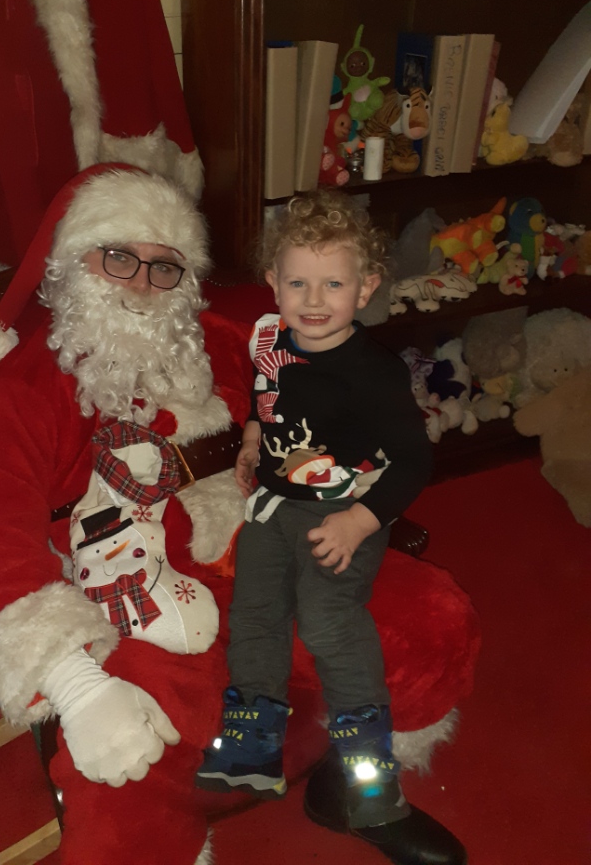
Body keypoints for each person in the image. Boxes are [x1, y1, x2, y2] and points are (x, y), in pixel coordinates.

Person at [0, 165, 468, 865]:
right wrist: (75, 683)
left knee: (429, 617)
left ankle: (353, 790)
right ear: (72, 262)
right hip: (131, 585)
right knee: (128, 755)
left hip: (266, 538)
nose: (141, 283)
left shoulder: (217, 338)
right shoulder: (26, 388)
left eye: (164, 266)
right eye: (119, 257)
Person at [196, 190, 434, 832]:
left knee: (328, 621)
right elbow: (267, 394)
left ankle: (370, 769)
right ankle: (252, 744)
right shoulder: (272, 339)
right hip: (272, 508)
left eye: (334, 283)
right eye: (298, 282)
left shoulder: (373, 373)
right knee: (254, 614)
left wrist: (361, 521)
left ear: (366, 287)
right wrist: (253, 439)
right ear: (274, 282)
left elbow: (414, 461)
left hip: (346, 508)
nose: (314, 299)